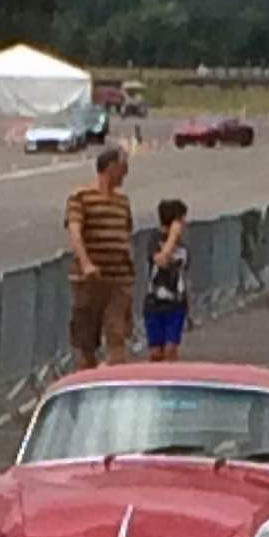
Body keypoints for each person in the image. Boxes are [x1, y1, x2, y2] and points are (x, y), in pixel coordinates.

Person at [64, 145, 136, 369]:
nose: (126, 172)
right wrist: (86, 263)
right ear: (110, 167)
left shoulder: (122, 201)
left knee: (117, 334)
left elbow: (125, 236)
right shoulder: (80, 197)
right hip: (89, 281)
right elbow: (75, 232)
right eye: (123, 167)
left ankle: (115, 381)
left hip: (119, 281)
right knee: (86, 340)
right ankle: (88, 381)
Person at [143, 198, 191, 362]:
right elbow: (161, 260)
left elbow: (183, 275)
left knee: (171, 349)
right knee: (156, 352)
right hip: (155, 302)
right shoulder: (155, 240)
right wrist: (172, 238)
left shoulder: (183, 248)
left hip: (176, 304)